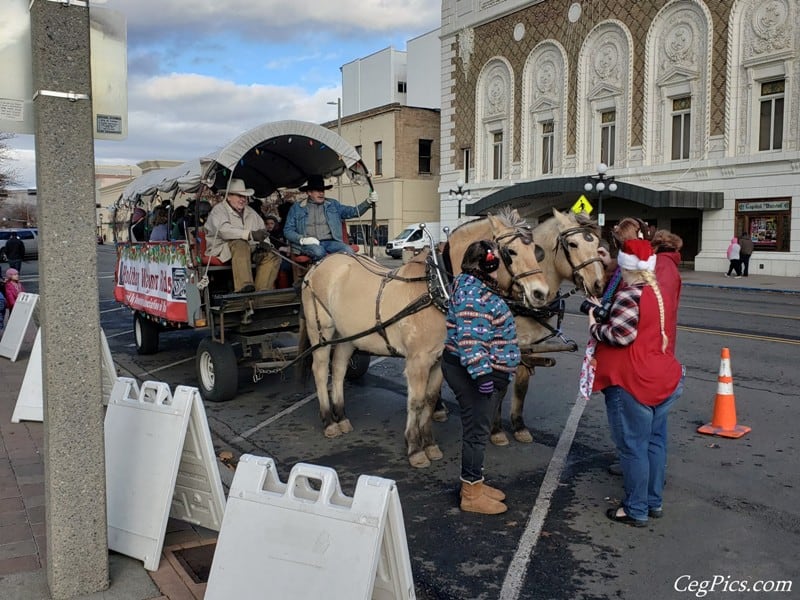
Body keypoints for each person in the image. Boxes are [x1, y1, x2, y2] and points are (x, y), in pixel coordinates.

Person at [585, 239, 684, 527]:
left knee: (632, 448)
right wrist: (604, 310)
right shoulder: (656, 290)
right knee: (654, 442)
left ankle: (635, 509)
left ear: (626, 265)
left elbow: (622, 335)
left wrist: (593, 324)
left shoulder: (629, 294)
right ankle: (654, 502)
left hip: (632, 381)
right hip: (664, 377)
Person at [442, 240, 520, 515]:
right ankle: (471, 495)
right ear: (488, 265)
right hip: (476, 375)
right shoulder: (473, 295)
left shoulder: (473, 286)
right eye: (498, 262)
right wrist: (483, 375)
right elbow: (470, 340)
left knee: (479, 430)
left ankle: (474, 483)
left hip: (482, 372)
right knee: (476, 433)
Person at [204, 179, 281, 293]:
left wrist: (266, 243)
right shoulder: (218, 210)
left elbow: (262, 232)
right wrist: (249, 234)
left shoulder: (251, 212)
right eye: (239, 196)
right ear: (228, 196)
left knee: (273, 255)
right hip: (222, 249)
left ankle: (261, 292)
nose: (243, 199)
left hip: (250, 249)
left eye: (244, 196)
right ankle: (244, 288)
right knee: (240, 243)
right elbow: (224, 231)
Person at [283, 174, 376, 261]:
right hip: (309, 244)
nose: (321, 193)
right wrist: (302, 239)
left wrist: (367, 202)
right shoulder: (297, 208)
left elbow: (352, 212)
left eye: (322, 190)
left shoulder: (333, 204)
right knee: (319, 252)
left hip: (330, 242)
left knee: (348, 250)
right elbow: (288, 230)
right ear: (309, 192)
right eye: (317, 190)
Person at [651, 229, 683, 356]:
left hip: (658, 333)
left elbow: (659, 303)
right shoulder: (667, 263)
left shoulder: (662, 264)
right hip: (664, 330)